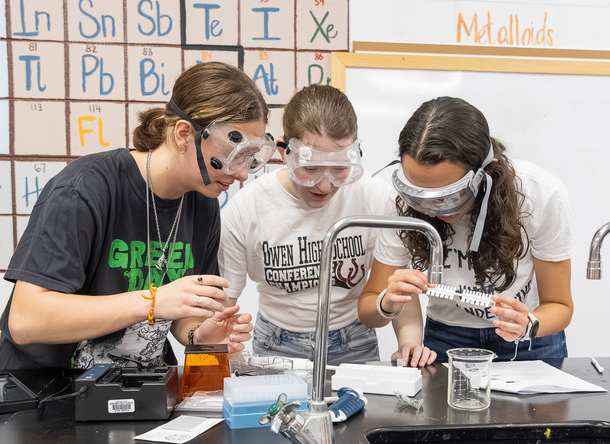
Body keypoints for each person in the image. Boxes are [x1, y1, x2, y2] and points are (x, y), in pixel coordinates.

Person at [0, 61, 273, 369]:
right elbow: (25, 320)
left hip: (136, 390)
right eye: (234, 156)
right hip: (47, 390)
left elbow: (181, 313)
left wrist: (200, 332)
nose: (243, 174)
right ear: (183, 134)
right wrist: (152, 302)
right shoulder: (84, 189)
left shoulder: (203, 202)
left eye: (250, 159)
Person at [218, 84, 436, 367]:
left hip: (354, 340)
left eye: (339, 169)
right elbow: (223, 307)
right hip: (276, 344)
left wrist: (410, 343)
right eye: (311, 169)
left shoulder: (376, 198)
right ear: (286, 152)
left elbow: (397, 290)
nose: (324, 184)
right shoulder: (247, 208)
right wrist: (225, 353)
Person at [358, 96, 574, 364]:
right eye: (420, 197)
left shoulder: (539, 195)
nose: (432, 209)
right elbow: (369, 309)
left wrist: (528, 323)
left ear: (485, 174)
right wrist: (388, 305)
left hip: (529, 339)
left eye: (450, 196)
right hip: (448, 337)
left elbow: (560, 305)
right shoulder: (401, 203)